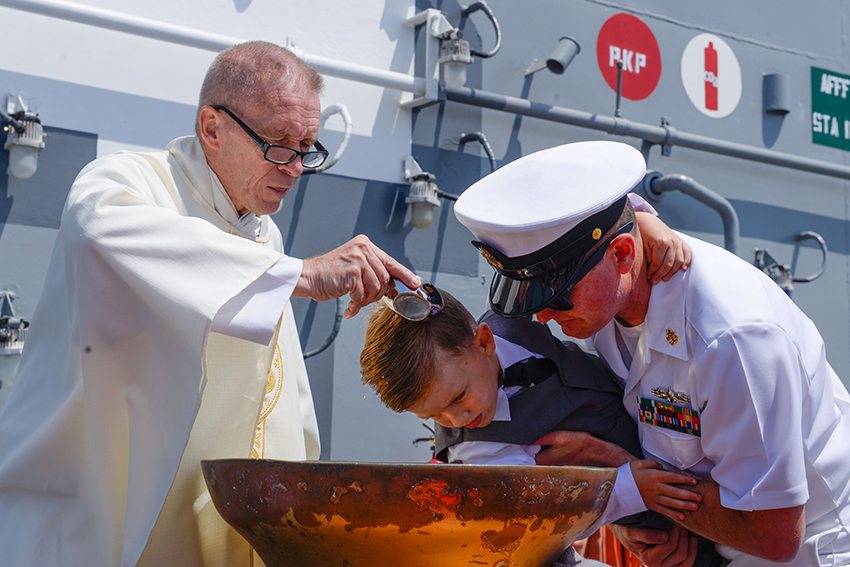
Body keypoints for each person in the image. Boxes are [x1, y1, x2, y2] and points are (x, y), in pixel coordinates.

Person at [0, 41, 419, 567]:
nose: (293, 168)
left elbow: (278, 384)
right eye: (279, 143)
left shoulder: (265, 236)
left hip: (225, 526)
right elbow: (98, 233)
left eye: (307, 148)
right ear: (212, 127)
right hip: (109, 521)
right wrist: (304, 274)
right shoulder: (125, 183)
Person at [452, 140, 850, 567]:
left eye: (557, 295)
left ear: (623, 254)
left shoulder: (732, 340)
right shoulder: (601, 304)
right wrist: (630, 514)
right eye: (530, 299)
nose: (545, 316)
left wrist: (627, 478)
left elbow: (774, 533)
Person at [360, 287, 723, 567]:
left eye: (458, 397)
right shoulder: (478, 452)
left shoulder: (510, 315)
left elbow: (539, 248)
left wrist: (646, 222)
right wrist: (631, 489)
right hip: (654, 505)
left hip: (691, 436)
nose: (455, 420)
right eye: (434, 417)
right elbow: (541, 512)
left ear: (484, 341)